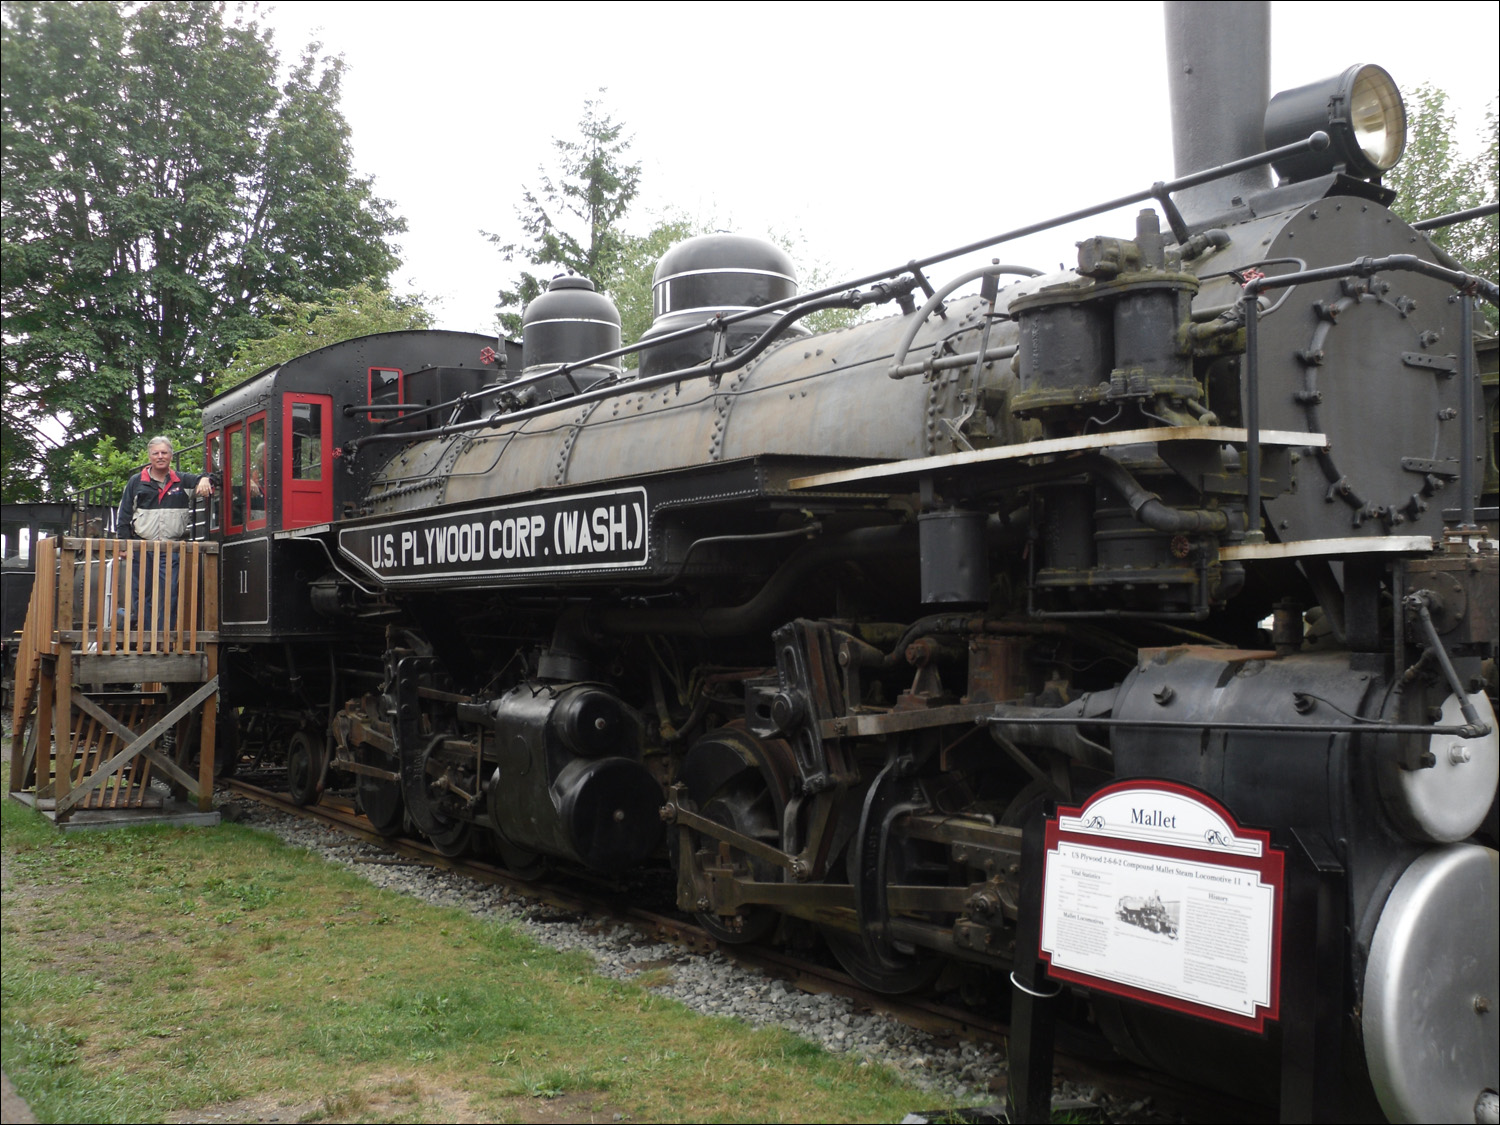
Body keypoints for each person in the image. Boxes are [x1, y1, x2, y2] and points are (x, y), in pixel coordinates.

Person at [116, 436, 214, 638]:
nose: (160, 456)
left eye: (164, 453)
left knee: (168, 593)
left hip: (171, 548)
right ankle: (144, 637)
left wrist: (205, 478)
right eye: (156, 453)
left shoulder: (184, 481)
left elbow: (216, 480)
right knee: (141, 593)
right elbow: (124, 514)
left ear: (171, 455)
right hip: (142, 547)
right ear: (149, 456)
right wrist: (123, 545)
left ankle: (162, 638)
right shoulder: (136, 482)